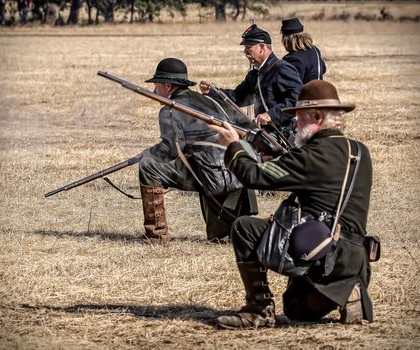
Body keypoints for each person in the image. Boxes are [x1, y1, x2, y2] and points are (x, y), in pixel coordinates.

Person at [209, 80, 373, 328]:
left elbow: (254, 176)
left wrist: (234, 146)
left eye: (299, 117)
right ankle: (349, 291)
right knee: (296, 309)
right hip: (355, 260)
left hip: (323, 255)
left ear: (317, 116)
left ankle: (258, 310)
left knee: (244, 227)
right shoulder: (360, 151)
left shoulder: (309, 157)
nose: (294, 124)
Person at [138, 57, 258, 244]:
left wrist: (148, 154)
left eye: (157, 85)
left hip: (213, 177)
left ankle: (156, 236)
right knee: (221, 239)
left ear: (168, 86)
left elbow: (169, 150)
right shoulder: (213, 102)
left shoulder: (169, 110)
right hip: (239, 170)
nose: (155, 90)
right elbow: (248, 128)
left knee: (148, 166)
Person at [200, 24, 302, 135]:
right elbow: (237, 97)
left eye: (248, 48)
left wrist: (271, 114)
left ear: (262, 47)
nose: (245, 52)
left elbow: (298, 98)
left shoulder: (281, 68)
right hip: (265, 131)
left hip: (284, 131)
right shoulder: (255, 73)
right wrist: (212, 91)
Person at [281, 17, 327, 83]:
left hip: (305, 93)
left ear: (286, 39)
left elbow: (290, 84)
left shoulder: (292, 58)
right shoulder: (315, 50)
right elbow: (323, 69)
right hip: (319, 90)